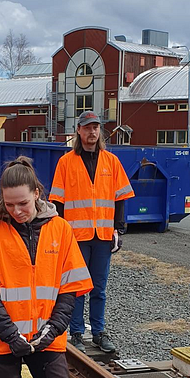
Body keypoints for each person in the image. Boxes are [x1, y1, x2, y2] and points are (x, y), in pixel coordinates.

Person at [0, 157, 93, 378]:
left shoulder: (61, 230)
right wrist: (11, 336)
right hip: (1, 339)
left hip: (46, 337)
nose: (16, 211)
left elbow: (70, 289)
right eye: (9, 204)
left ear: (36, 193)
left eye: (22, 203)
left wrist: (53, 330)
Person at [49, 111, 134, 353]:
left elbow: (120, 197)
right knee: (76, 287)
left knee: (99, 288)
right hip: (76, 238)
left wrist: (119, 229)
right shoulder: (66, 163)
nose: (92, 132)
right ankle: (76, 333)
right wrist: (60, 235)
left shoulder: (111, 161)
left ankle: (98, 332)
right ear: (79, 131)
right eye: (87, 128)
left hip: (103, 237)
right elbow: (57, 202)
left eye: (96, 127)